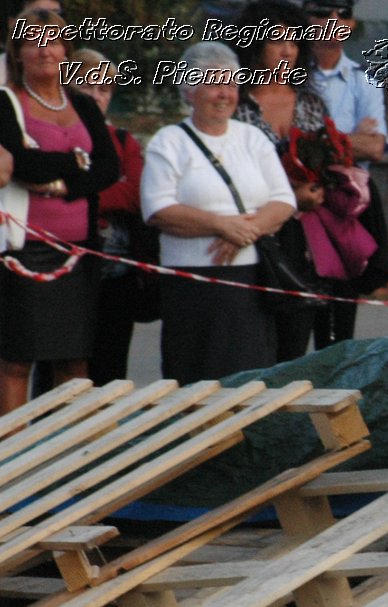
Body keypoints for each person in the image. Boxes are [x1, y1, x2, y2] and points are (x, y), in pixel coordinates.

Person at [140, 42, 296, 384]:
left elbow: (284, 200)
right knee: (195, 374)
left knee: (249, 376)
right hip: (192, 283)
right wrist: (219, 225)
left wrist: (246, 231)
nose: (223, 93)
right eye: (212, 83)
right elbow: (158, 209)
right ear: (189, 90)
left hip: (250, 278)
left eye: (230, 83)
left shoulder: (253, 138)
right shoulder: (169, 142)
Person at [0, 9, 119, 413]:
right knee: (16, 359)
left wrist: (61, 180)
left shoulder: (84, 104)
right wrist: (79, 161)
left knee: (73, 358)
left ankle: (66, 456)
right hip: (23, 251)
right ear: (17, 52)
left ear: (65, 49)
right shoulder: (6, 102)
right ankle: (11, 460)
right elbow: (22, 164)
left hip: (79, 251)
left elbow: (110, 167)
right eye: (32, 41)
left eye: (52, 40)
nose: (43, 50)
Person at [232, 0, 331, 363]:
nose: (288, 49)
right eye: (277, 40)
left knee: (295, 343)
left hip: (304, 236)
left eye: (294, 40)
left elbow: (329, 160)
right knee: (252, 342)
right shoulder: (234, 101)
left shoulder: (309, 102)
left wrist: (317, 189)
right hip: (250, 231)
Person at [304, 0, 388, 349]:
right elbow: (287, 143)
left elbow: (375, 147)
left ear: (352, 24)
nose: (332, 21)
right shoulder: (289, 75)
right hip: (301, 204)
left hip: (345, 211)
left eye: (341, 14)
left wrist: (317, 143)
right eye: (322, 13)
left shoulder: (363, 78)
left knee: (340, 322)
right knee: (297, 317)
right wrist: (348, 139)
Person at [71, 49, 150, 385]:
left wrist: (80, 194)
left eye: (104, 89)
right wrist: (106, 190)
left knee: (111, 366)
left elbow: (135, 194)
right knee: (63, 361)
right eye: (87, 86)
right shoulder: (53, 134)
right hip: (66, 267)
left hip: (116, 271)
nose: (95, 95)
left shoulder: (122, 139)